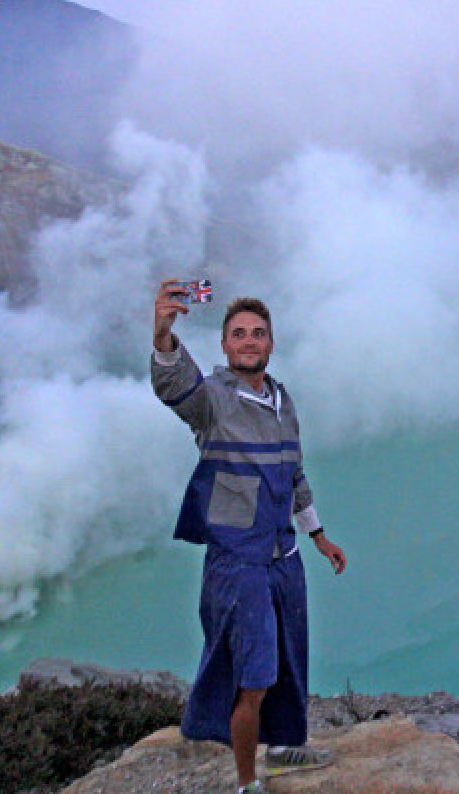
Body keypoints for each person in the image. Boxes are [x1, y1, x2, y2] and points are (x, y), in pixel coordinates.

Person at [151, 279, 347, 794]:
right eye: (239, 333)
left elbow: (294, 475)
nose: (249, 341)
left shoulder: (283, 400)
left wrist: (319, 535)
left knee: (288, 659)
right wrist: (164, 336)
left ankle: (282, 751)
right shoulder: (213, 399)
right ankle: (246, 785)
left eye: (258, 333)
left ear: (270, 343)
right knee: (254, 675)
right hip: (238, 561)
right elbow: (176, 388)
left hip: (283, 555)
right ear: (225, 345)